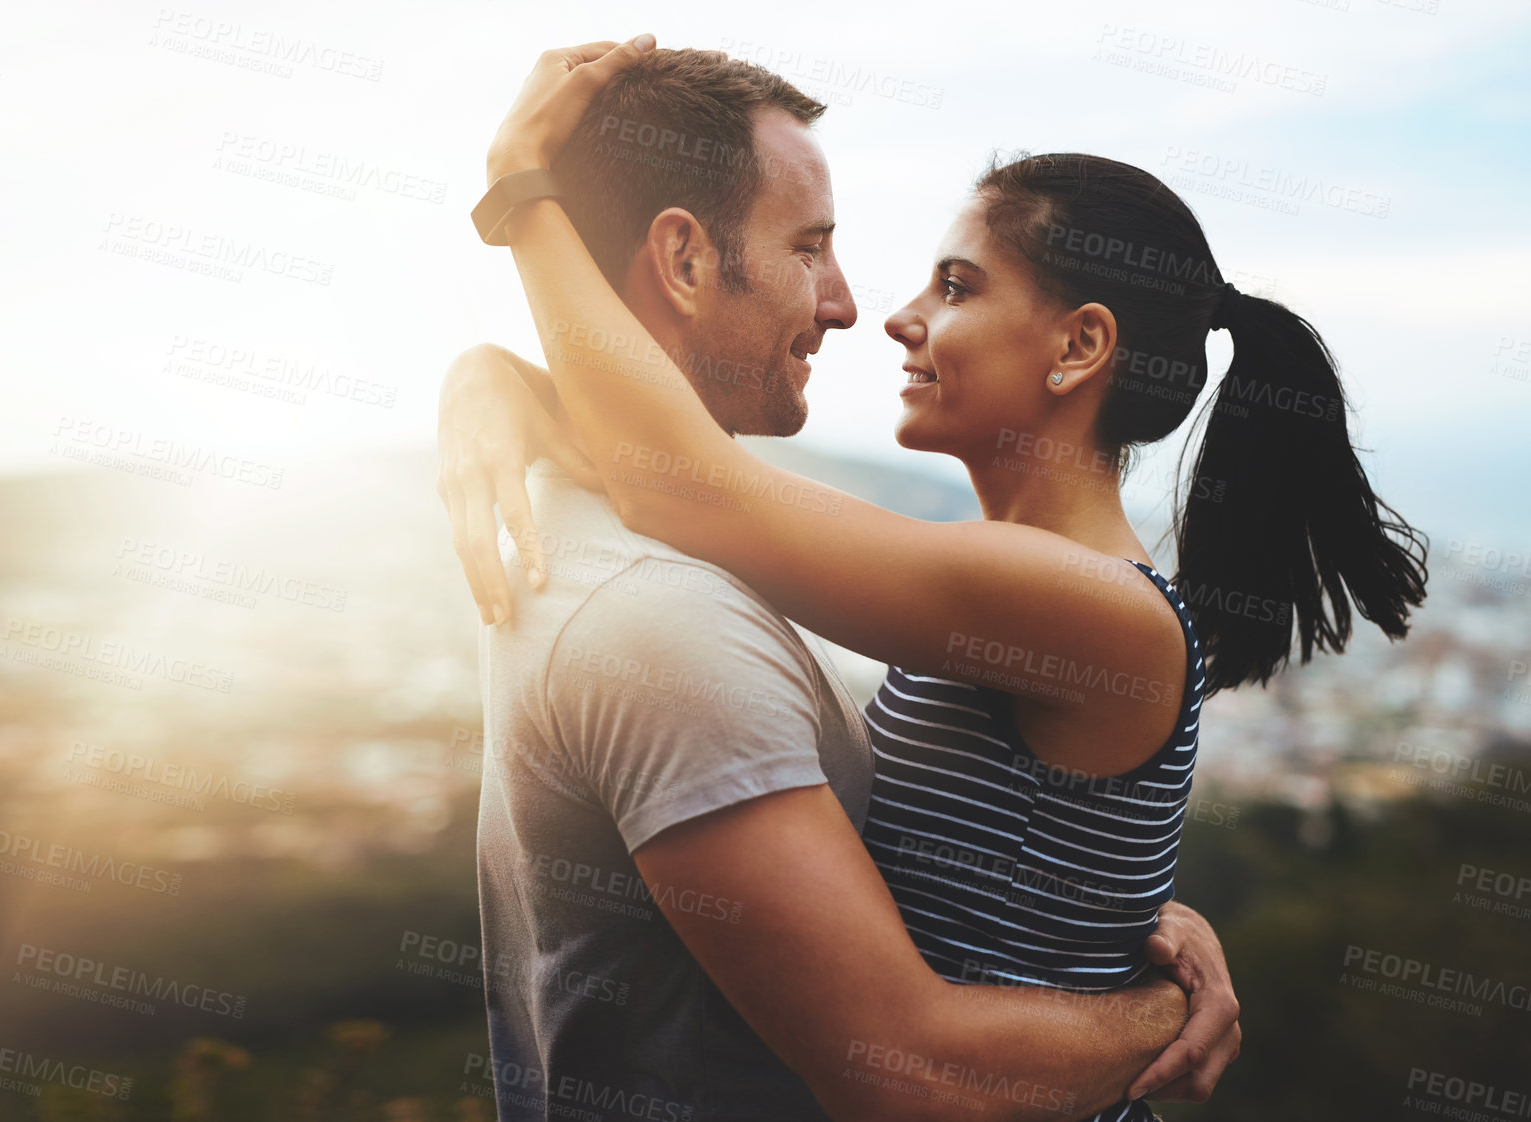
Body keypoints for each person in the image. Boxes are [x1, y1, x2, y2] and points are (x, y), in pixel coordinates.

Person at [438, 42, 1252, 1122]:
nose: (885, 315)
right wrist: (495, 378)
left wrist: (521, 197)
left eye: (954, 287)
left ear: (1077, 349)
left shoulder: (1089, 604)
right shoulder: (994, 587)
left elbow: (687, 491)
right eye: (812, 249)